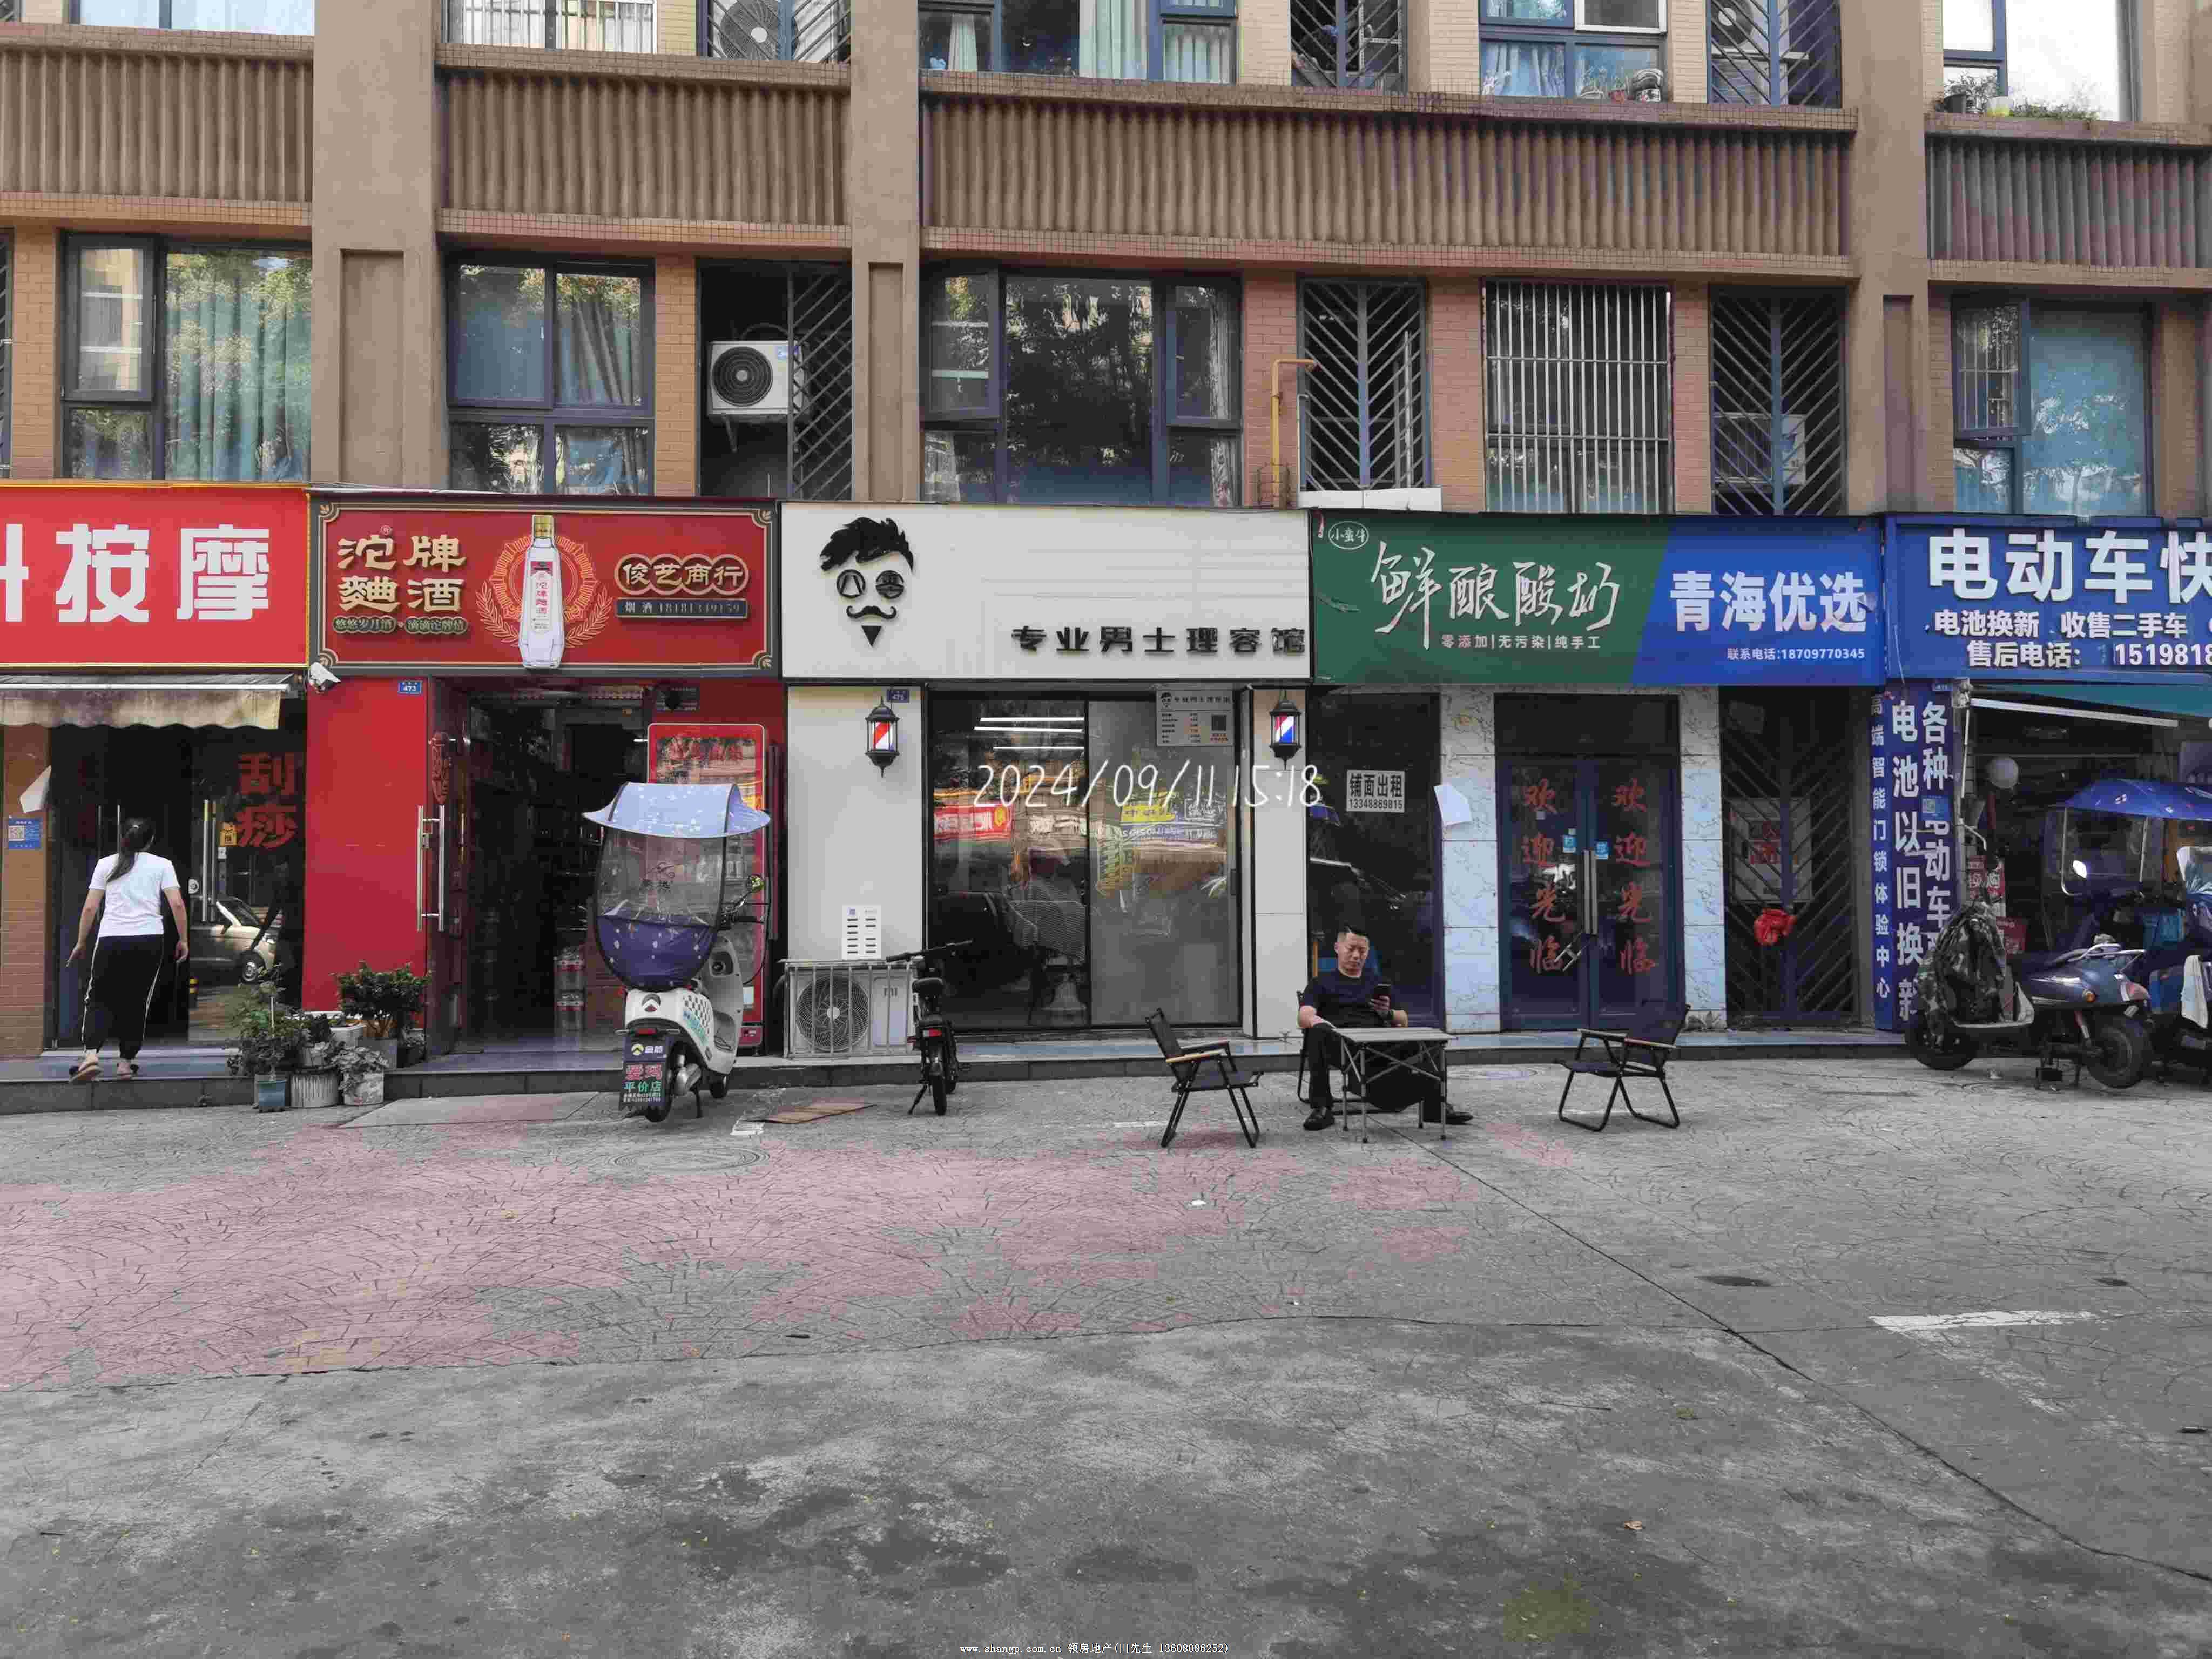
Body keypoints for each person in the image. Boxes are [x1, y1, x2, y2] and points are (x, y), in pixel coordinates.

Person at [1296, 928, 1470, 1131]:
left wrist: (1387, 1013)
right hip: (1342, 1044)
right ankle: (1322, 1108)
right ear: (1337, 948)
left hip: (1379, 1044)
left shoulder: (1377, 982)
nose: (1356, 956)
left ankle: (1435, 1107)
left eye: (1362, 951)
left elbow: (1403, 1019)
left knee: (1433, 1042)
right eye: (1351, 949)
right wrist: (1317, 1021)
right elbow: (1304, 1015)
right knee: (1316, 1033)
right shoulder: (1320, 983)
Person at [66, 817, 188, 1084]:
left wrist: (81, 941)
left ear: (123, 837)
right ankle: (125, 1063)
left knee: (98, 997)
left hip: (111, 939)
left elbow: (90, 907)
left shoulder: (105, 864)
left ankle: (91, 1056)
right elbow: (177, 904)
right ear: (150, 841)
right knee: (136, 1001)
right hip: (149, 939)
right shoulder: (162, 865)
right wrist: (183, 939)